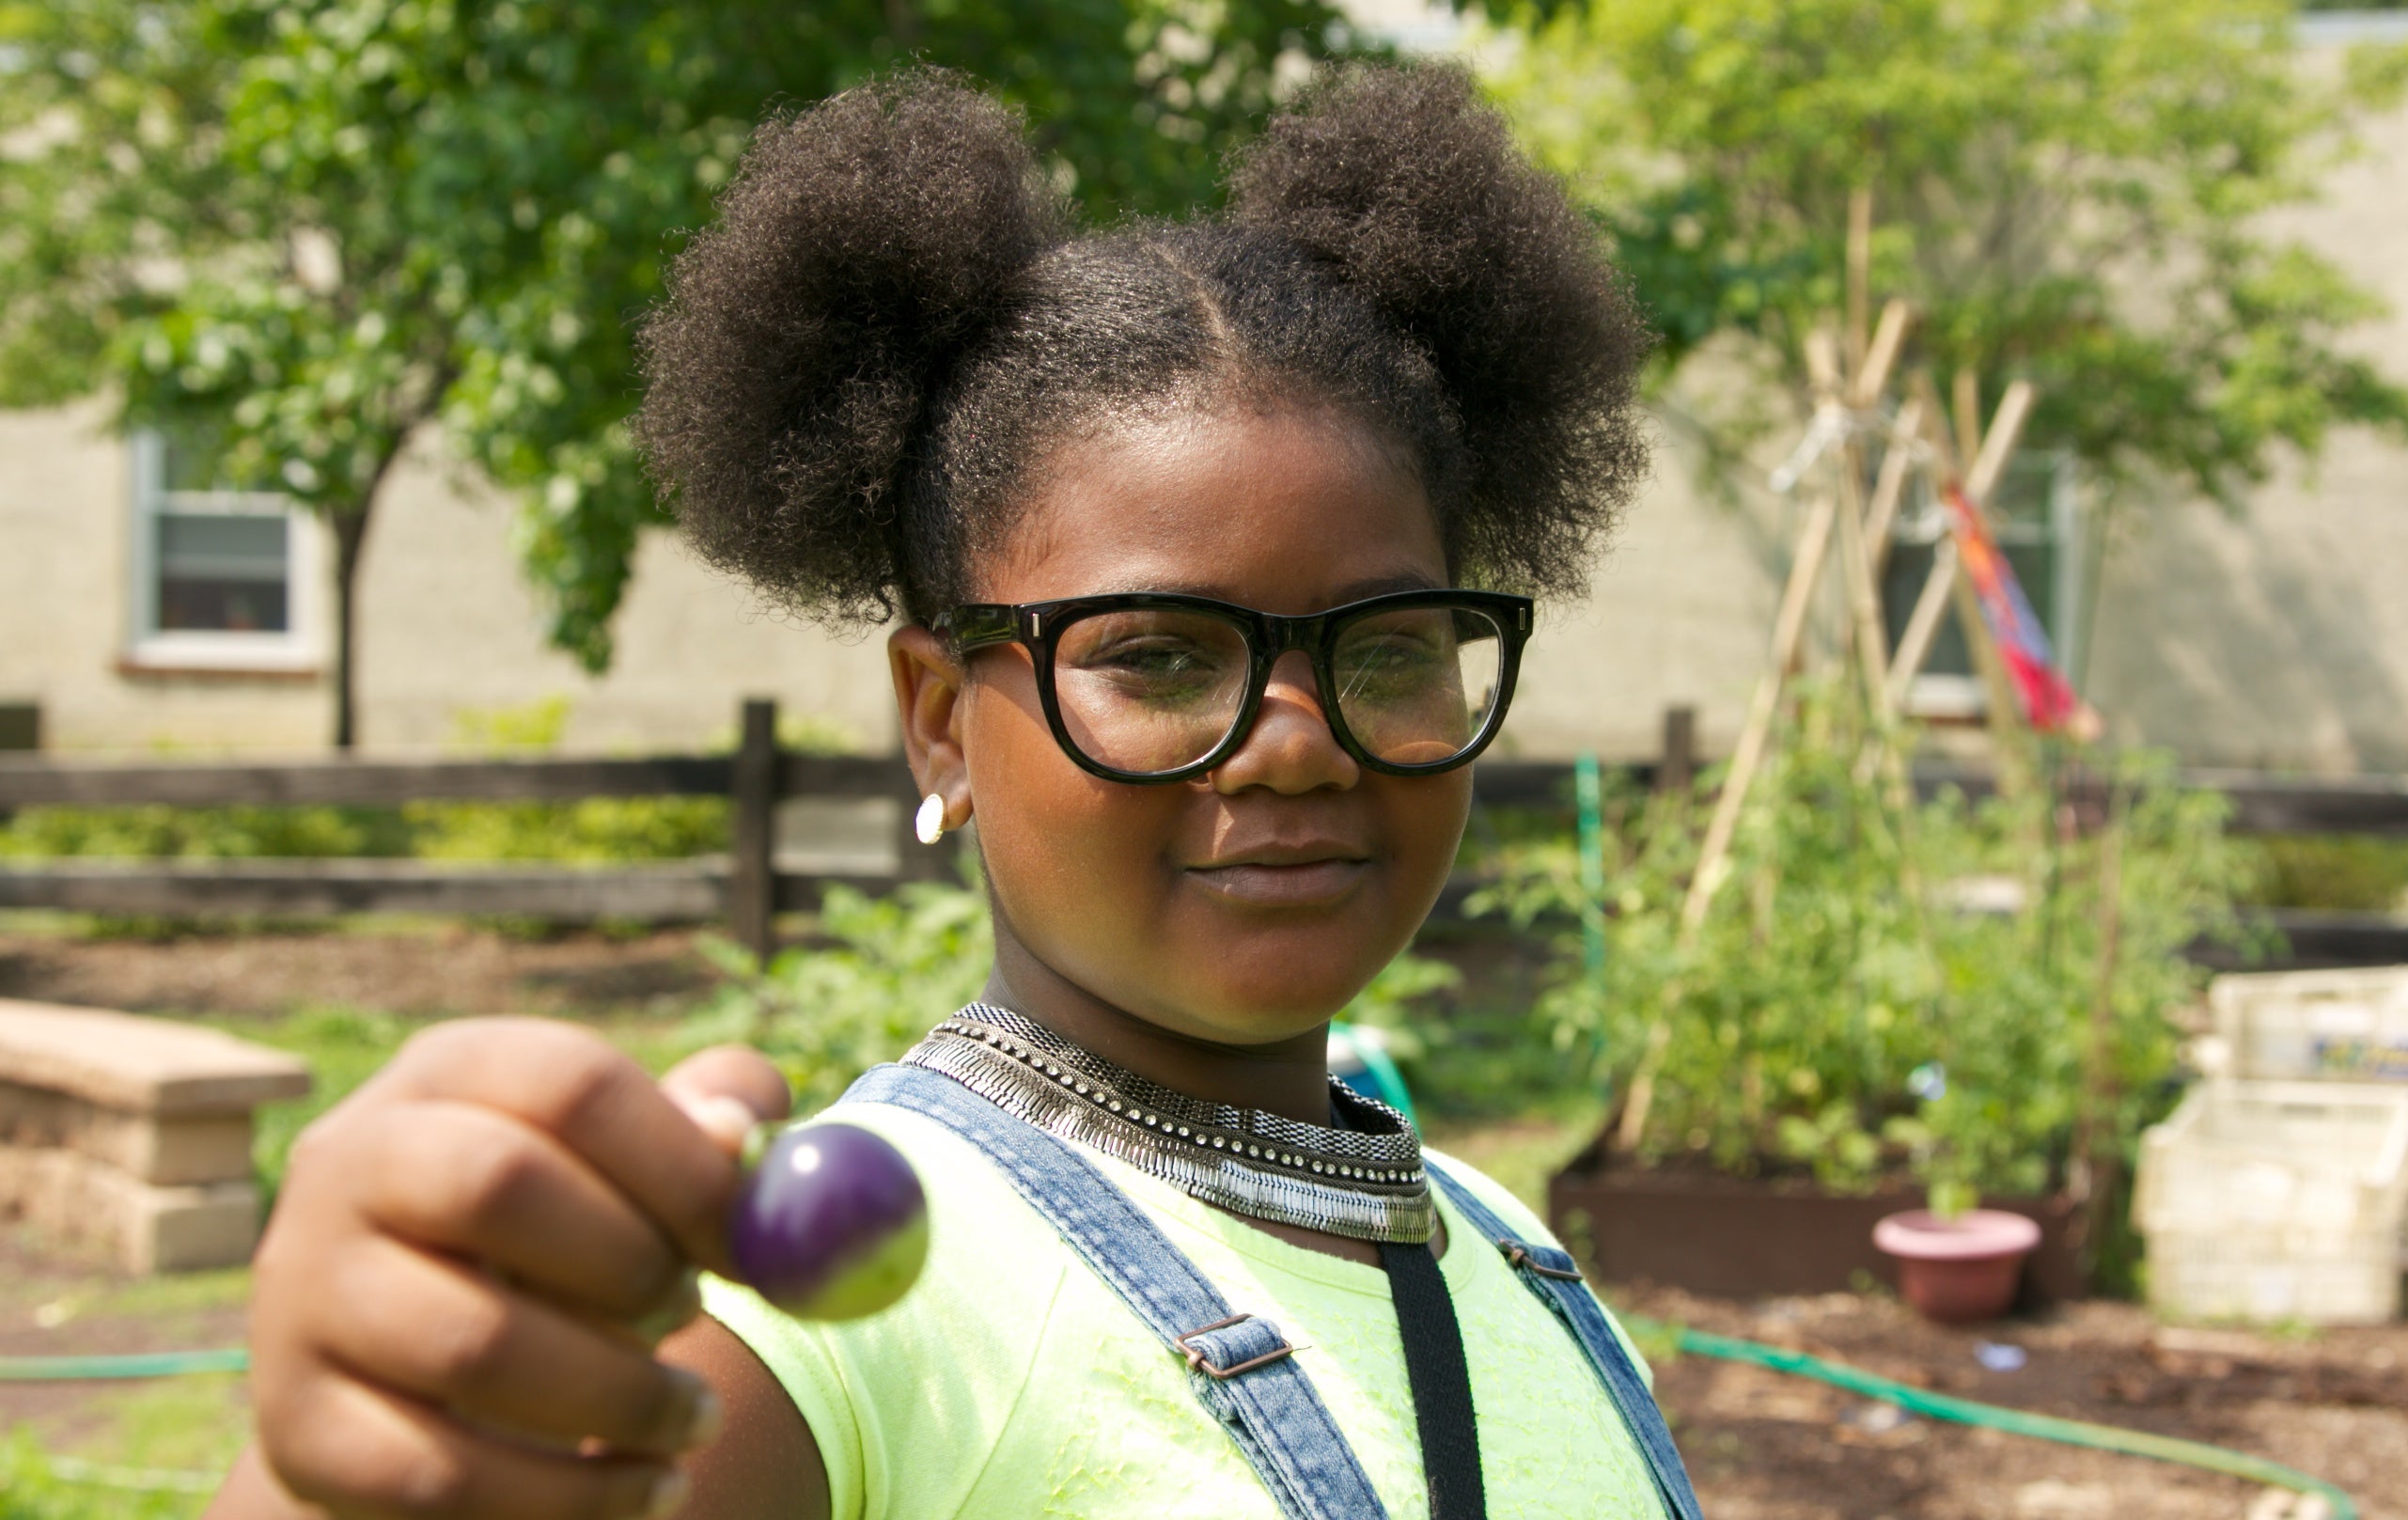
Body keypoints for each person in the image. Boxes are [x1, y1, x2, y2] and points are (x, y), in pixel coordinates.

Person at [208, 60, 1688, 1520]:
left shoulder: (1507, 1253)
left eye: (1385, 648)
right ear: (935, 719)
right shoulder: (828, 1306)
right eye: (1159, 655)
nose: (1294, 741)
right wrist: (322, 1480)